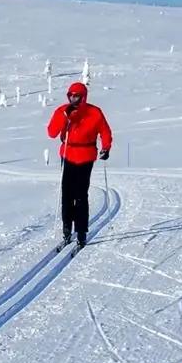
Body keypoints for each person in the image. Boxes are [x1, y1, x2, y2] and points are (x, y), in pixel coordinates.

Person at [45, 81, 113, 248]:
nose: (73, 99)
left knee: (81, 195)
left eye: (77, 96)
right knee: (67, 194)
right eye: (71, 96)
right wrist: (64, 116)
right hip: (68, 154)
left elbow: (105, 131)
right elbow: (52, 133)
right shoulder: (63, 111)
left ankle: (81, 232)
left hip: (86, 156)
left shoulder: (94, 112)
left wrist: (106, 147)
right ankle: (67, 229)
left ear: (83, 97)